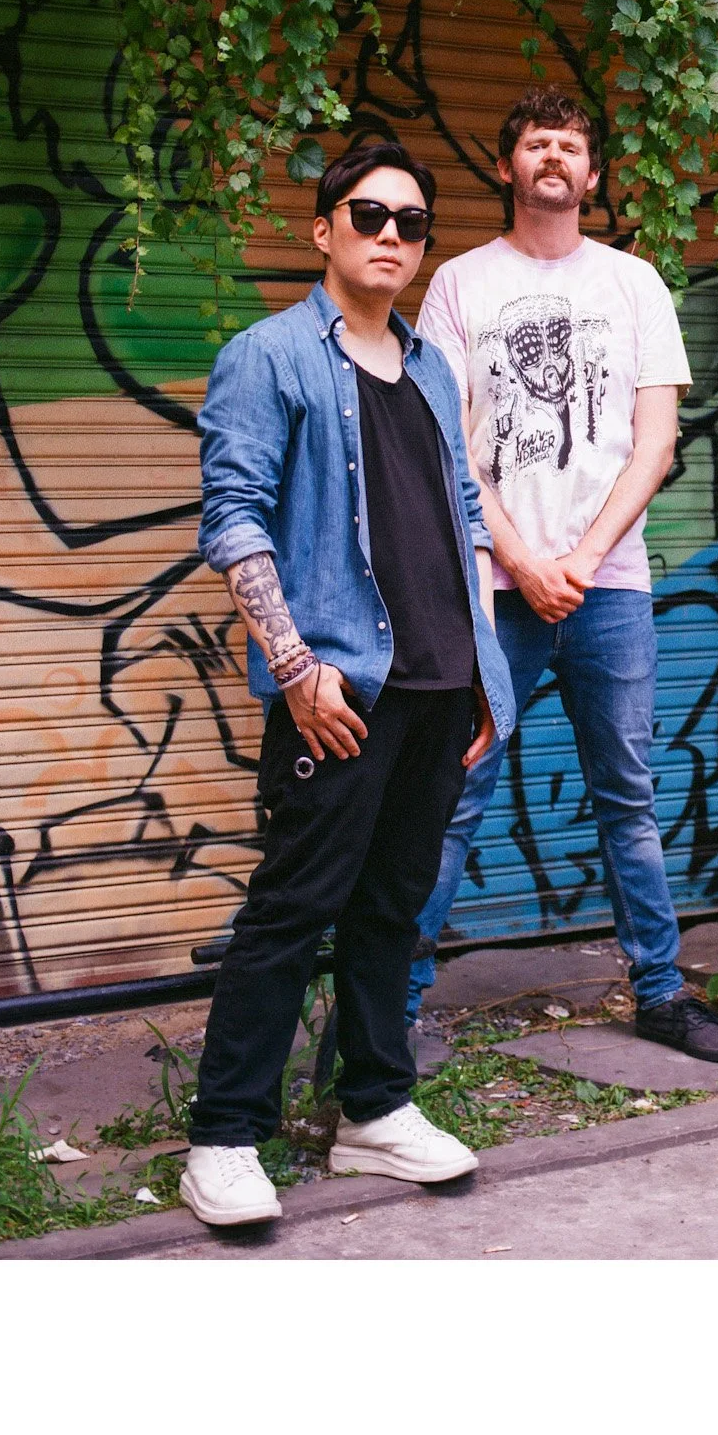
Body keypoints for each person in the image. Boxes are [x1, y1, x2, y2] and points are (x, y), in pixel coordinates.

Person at [185, 140, 515, 1227]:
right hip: (338, 688)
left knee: (392, 909)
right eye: (366, 214)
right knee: (292, 909)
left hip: (434, 686)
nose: (389, 234)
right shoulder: (268, 355)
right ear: (321, 229)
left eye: (411, 222)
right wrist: (292, 667)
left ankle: (374, 1109)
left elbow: (465, 516)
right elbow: (232, 516)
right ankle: (226, 1136)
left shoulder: (428, 364)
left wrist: (478, 668)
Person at [408, 87, 718, 1063]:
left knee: (626, 798)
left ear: (591, 175)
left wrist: (583, 562)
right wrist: (521, 558)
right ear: (508, 166)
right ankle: (392, 1010)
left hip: (611, 589)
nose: (552, 156)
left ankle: (659, 993)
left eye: (569, 144)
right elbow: (445, 444)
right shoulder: (460, 286)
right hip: (492, 591)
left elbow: (655, 441)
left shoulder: (634, 284)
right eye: (533, 142)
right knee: (455, 796)